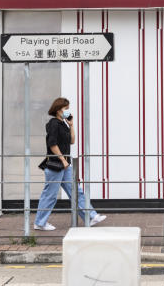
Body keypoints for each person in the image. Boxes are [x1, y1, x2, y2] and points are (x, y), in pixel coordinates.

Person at [34, 97, 106, 230]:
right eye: (65, 108)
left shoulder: (63, 124)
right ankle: (40, 223)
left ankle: (91, 216)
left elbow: (72, 141)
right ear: (58, 109)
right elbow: (52, 144)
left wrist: (71, 125)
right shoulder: (53, 123)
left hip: (65, 165)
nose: (67, 111)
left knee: (76, 192)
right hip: (56, 165)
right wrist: (62, 160)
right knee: (50, 195)